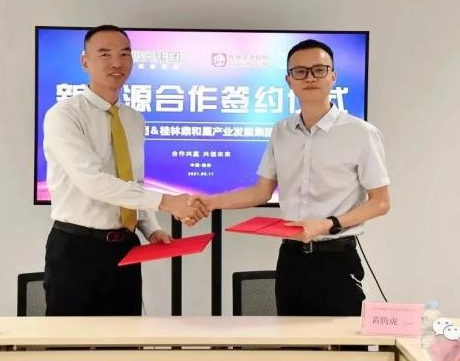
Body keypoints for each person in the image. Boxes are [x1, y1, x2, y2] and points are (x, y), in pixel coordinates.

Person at [190, 39, 391, 316]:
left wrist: (327, 224)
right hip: (291, 259)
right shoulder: (281, 131)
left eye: (319, 70)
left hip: (337, 260)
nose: (310, 78)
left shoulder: (361, 133)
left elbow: (381, 202)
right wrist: (209, 202)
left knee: (340, 341)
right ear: (289, 81)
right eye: (300, 71)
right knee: (289, 337)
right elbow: (261, 192)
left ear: (333, 76)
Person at [42, 25, 208, 316]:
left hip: (125, 248)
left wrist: (150, 228)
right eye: (105, 54)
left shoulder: (133, 119)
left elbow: (132, 181)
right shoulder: (64, 115)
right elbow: (93, 182)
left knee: (126, 334)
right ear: (85, 61)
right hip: (77, 249)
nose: (116, 62)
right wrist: (168, 202)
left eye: (124, 54)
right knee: (72, 338)